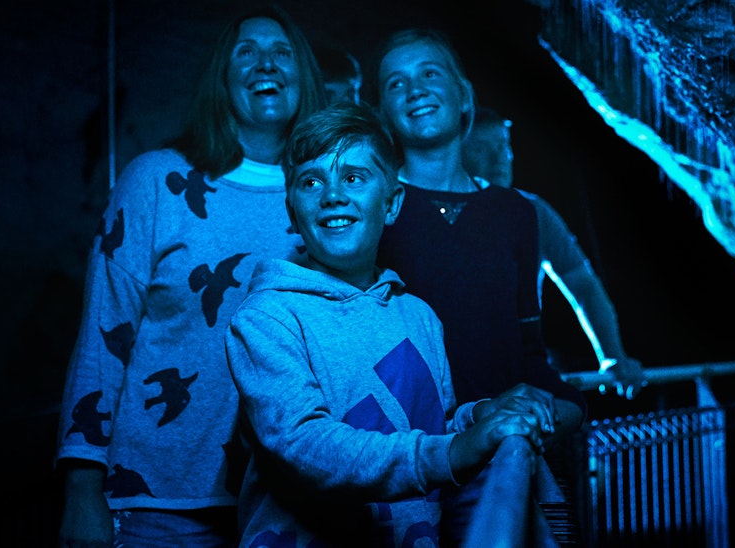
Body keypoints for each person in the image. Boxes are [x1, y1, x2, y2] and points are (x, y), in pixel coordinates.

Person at [55, 4, 326, 548]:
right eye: (245, 52)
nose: (264, 64)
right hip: (157, 502)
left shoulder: (327, 197)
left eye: (281, 51)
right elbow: (103, 335)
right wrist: (81, 488)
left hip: (291, 502)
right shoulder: (157, 181)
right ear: (222, 78)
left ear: (305, 77)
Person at [225, 101, 556, 547]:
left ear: (393, 201)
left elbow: (431, 425)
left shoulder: (418, 316)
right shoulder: (266, 319)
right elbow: (304, 443)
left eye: (355, 177)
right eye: (311, 181)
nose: (333, 195)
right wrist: (452, 452)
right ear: (291, 211)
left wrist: (479, 414)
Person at [373, 27, 588, 545]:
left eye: (430, 73)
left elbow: (528, 350)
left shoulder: (514, 213)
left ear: (463, 94)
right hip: (408, 465)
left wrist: (556, 409)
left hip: (503, 455)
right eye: (396, 83)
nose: (416, 89)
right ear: (382, 109)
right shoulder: (373, 208)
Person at [461, 105, 646, 398]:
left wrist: (611, 354)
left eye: (503, 146)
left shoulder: (533, 212)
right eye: (482, 148)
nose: (499, 158)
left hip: (522, 377)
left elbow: (583, 285)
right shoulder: (440, 214)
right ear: (456, 154)